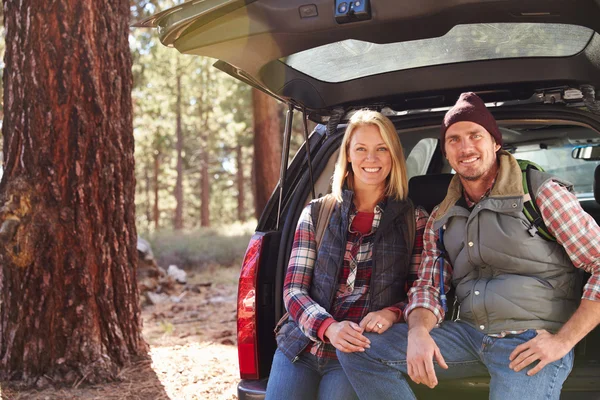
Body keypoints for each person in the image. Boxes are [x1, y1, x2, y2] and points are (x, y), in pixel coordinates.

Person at [338, 92, 600, 400]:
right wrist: (418, 330)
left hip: (531, 339)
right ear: (447, 154)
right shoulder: (442, 215)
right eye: (454, 140)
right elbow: (428, 286)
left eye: (475, 135)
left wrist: (562, 341)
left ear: (496, 143)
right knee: (360, 349)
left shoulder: (541, 193)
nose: (465, 147)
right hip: (467, 334)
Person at [264, 110, 429, 400]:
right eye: (361, 149)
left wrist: (391, 313)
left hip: (356, 355)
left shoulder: (413, 221)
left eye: (381, 149)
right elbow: (293, 290)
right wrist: (328, 327)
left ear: (393, 156)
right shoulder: (317, 212)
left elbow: (419, 292)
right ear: (349, 155)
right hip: (300, 345)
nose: (371, 159)